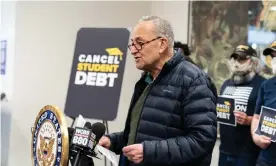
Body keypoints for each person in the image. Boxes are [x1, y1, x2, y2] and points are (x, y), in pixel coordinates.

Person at [99, 16, 218, 166]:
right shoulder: (146, 80)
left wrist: (149, 151)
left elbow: (202, 139)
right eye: (132, 45)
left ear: (162, 44)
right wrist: (113, 141)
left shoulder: (194, 80)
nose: (133, 51)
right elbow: (143, 133)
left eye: (140, 43)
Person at [218, 45, 266, 166]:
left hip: (248, 152)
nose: (237, 62)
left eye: (242, 59)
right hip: (224, 148)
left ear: (253, 61)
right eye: (235, 58)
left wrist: (249, 120)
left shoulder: (262, 85)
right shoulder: (226, 84)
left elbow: (270, 120)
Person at [251, 41, 276, 166]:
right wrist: (256, 137)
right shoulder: (266, 86)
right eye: (273, 56)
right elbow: (256, 117)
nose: (275, 59)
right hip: (266, 159)